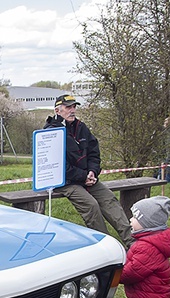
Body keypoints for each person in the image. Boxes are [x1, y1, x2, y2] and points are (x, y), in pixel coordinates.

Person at [44, 94, 133, 247]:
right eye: (68, 107)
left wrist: (92, 172)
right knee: (91, 205)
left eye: (74, 107)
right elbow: (56, 166)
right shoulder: (50, 133)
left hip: (87, 178)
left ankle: (133, 243)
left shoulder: (81, 128)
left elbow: (94, 153)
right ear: (57, 110)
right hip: (65, 181)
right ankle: (107, 246)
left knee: (109, 199)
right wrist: (83, 176)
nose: (72, 110)